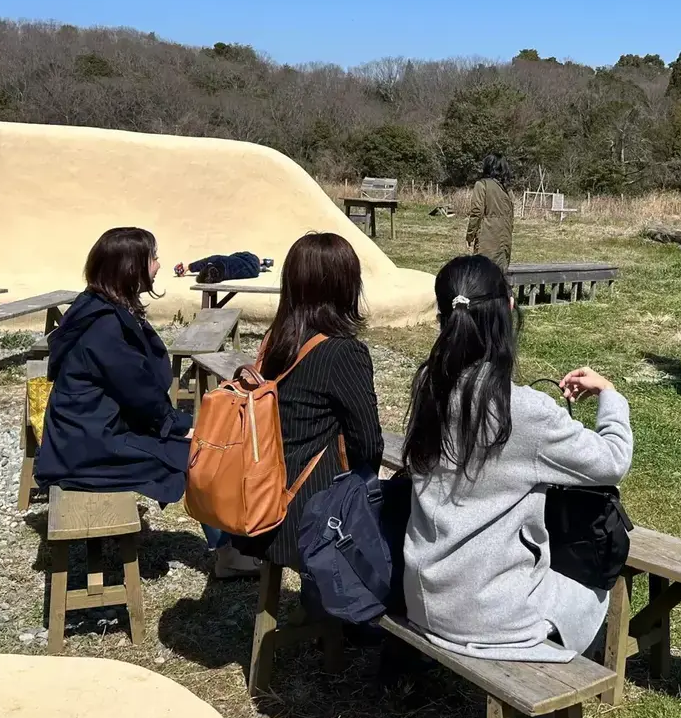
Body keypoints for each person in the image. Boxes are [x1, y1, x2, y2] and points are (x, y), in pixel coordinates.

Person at [401, 255, 633, 661]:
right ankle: (560, 703)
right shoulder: (523, 411)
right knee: (594, 590)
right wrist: (610, 396)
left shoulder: (428, 386)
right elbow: (613, 461)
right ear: (508, 310)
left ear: (443, 316)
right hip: (487, 616)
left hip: (425, 594)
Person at [211, 232, 385, 578]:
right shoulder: (343, 352)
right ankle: (355, 624)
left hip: (259, 509)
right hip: (307, 525)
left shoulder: (275, 340)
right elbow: (369, 445)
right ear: (346, 285)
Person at [35, 227, 193, 503]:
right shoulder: (105, 327)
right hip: (88, 449)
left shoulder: (96, 304)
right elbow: (140, 392)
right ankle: (228, 545)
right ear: (130, 269)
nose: (158, 265)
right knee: (200, 457)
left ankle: (227, 544)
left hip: (83, 435)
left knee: (196, 450)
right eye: (152, 258)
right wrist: (180, 425)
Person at [466, 154, 514, 270]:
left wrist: (470, 236)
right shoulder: (507, 189)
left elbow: (476, 212)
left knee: (482, 277)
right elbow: (511, 216)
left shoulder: (482, 185)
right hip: (505, 241)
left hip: (487, 240)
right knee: (500, 276)